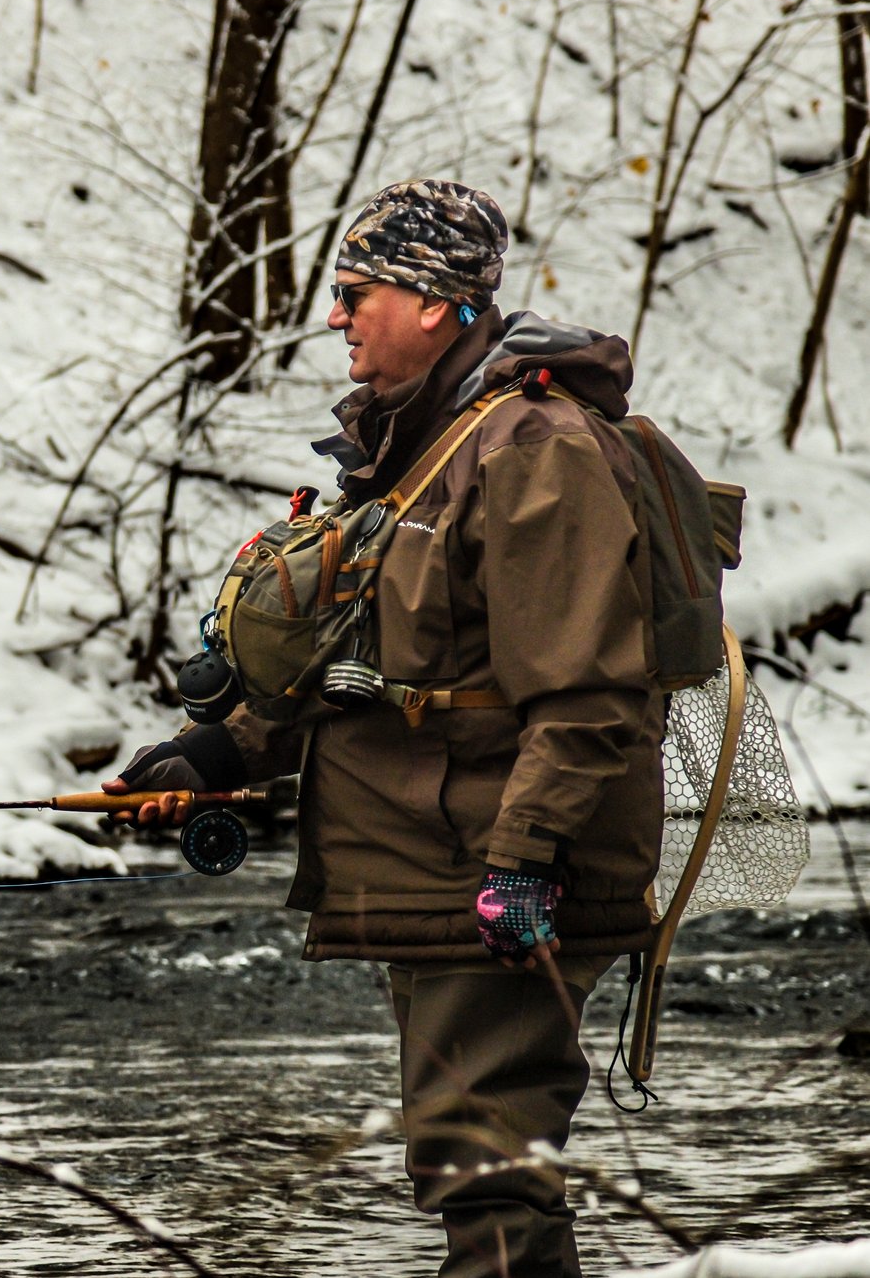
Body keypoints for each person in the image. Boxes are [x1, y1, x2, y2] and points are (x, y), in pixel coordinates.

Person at [107, 180, 664, 1278]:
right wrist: (217, 752)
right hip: (431, 860)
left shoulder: (533, 450)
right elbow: (366, 660)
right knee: (468, 1165)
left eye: (355, 291)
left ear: (431, 298)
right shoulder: (418, 445)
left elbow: (589, 697)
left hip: (499, 874)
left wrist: (524, 863)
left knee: (487, 1169)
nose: (335, 316)